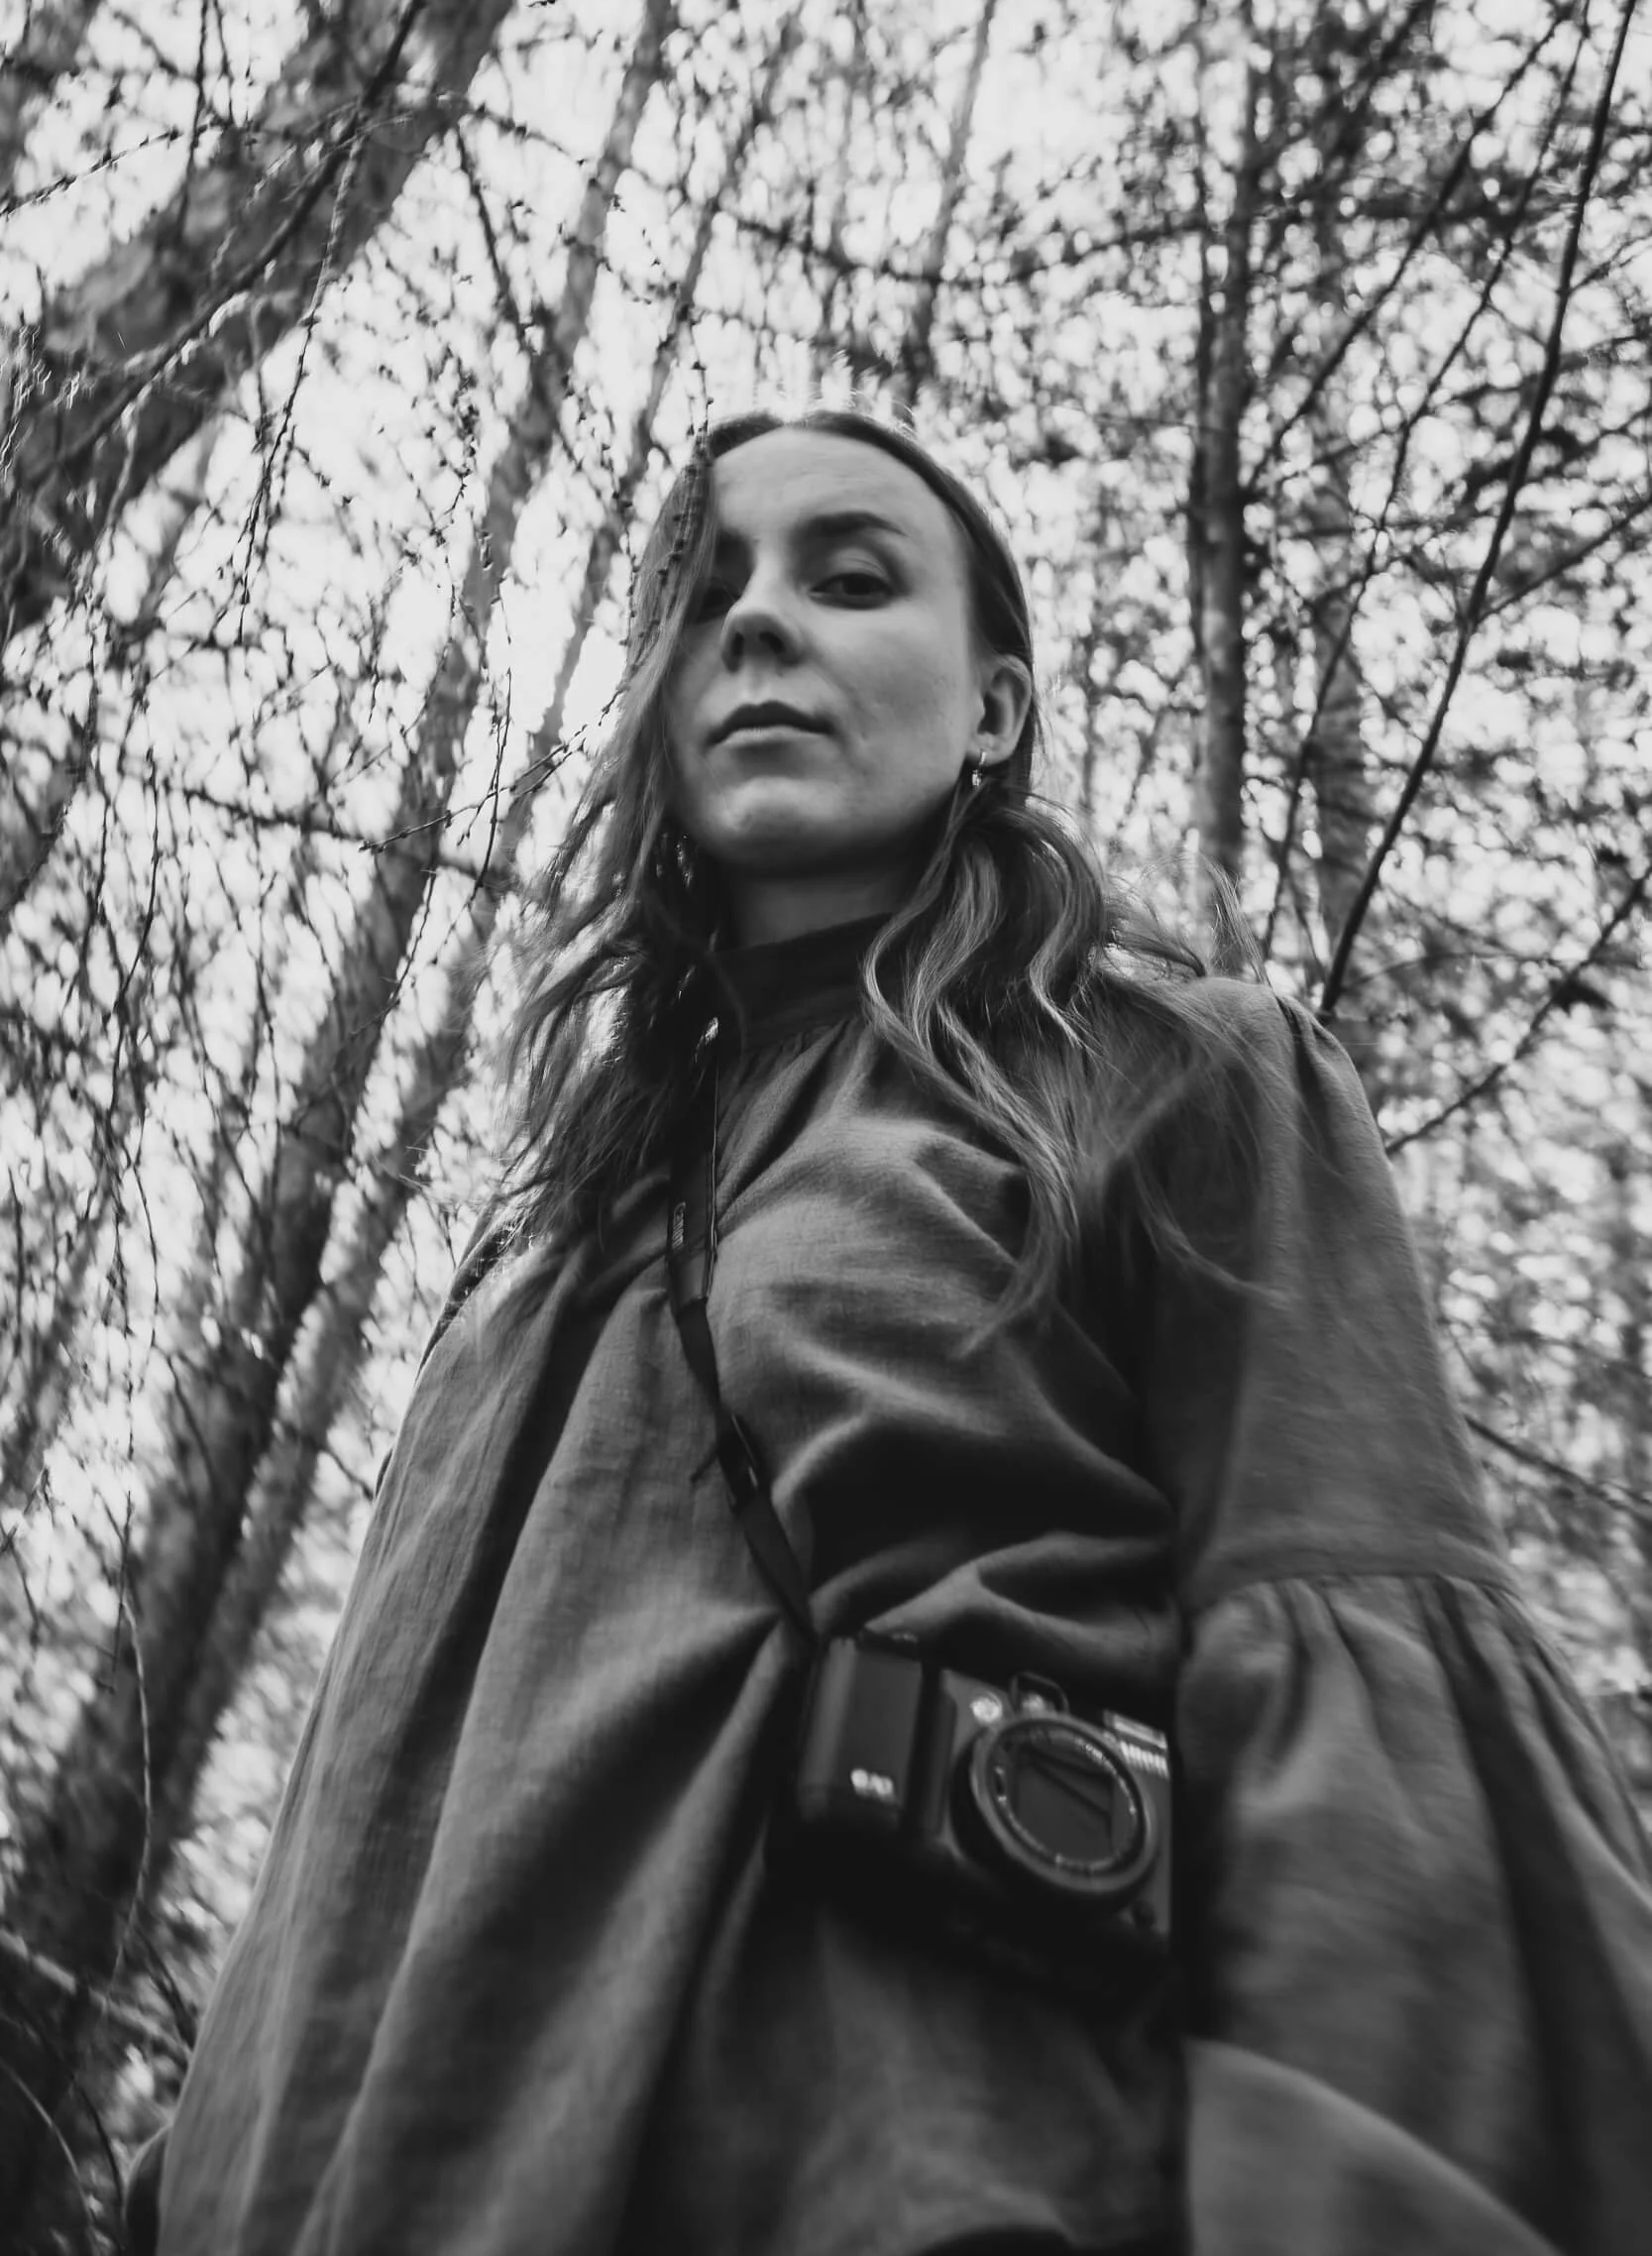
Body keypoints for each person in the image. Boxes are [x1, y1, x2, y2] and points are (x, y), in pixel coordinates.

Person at [135, 409, 1652, 2256]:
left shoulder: (1176, 1078)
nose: (758, 625)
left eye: (849, 578)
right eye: (706, 596)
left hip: (907, 2177)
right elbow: (358, 1802)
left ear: (995, 712)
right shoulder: (543, 1229)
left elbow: (1365, 1728)